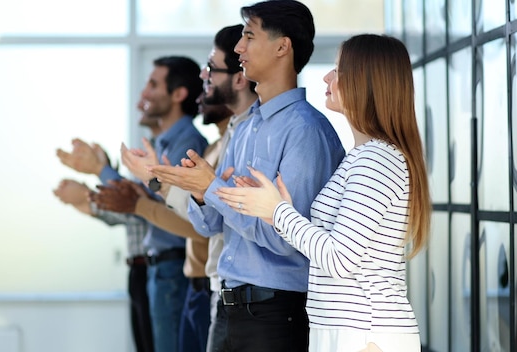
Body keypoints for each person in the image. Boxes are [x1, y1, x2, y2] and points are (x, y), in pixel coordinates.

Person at [214, 34, 432, 352]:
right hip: (345, 329)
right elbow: (333, 246)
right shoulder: (362, 157)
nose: (327, 77)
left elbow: (339, 259)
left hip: (365, 333)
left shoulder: (377, 160)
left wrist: (278, 212)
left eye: (339, 71)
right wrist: (275, 210)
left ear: (367, 82)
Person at [148, 2, 346, 351]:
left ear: (282, 47)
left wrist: (213, 189)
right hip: (228, 306)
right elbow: (210, 224)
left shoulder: (305, 131)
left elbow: (287, 238)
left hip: (275, 312)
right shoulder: (245, 126)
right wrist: (200, 192)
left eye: (249, 36)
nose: (239, 47)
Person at [91, 99, 234, 352]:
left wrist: (142, 192)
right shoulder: (211, 145)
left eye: (153, 86)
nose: (143, 97)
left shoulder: (191, 144)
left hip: (186, 274)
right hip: (187, 278)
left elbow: (197, 223)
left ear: (178, 94)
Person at [53, 147, 154, 352]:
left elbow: (139, 211)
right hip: (139, 269)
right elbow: (128, 215)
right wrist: (86, 200)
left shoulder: (157, 154)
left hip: (153, 268)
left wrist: (89, 194)